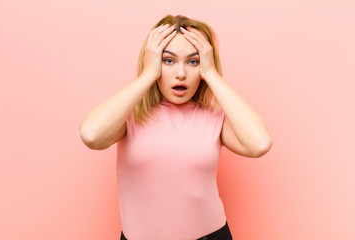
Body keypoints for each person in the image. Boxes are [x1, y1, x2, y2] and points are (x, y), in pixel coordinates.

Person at [79, 14, 272, 240]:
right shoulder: (129, 116)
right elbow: (91, 135)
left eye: (193, 61)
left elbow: (260, 144)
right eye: (168, 60)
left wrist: (212, 74)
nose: (181, 73)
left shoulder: (215, 118)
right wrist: (148, 74)